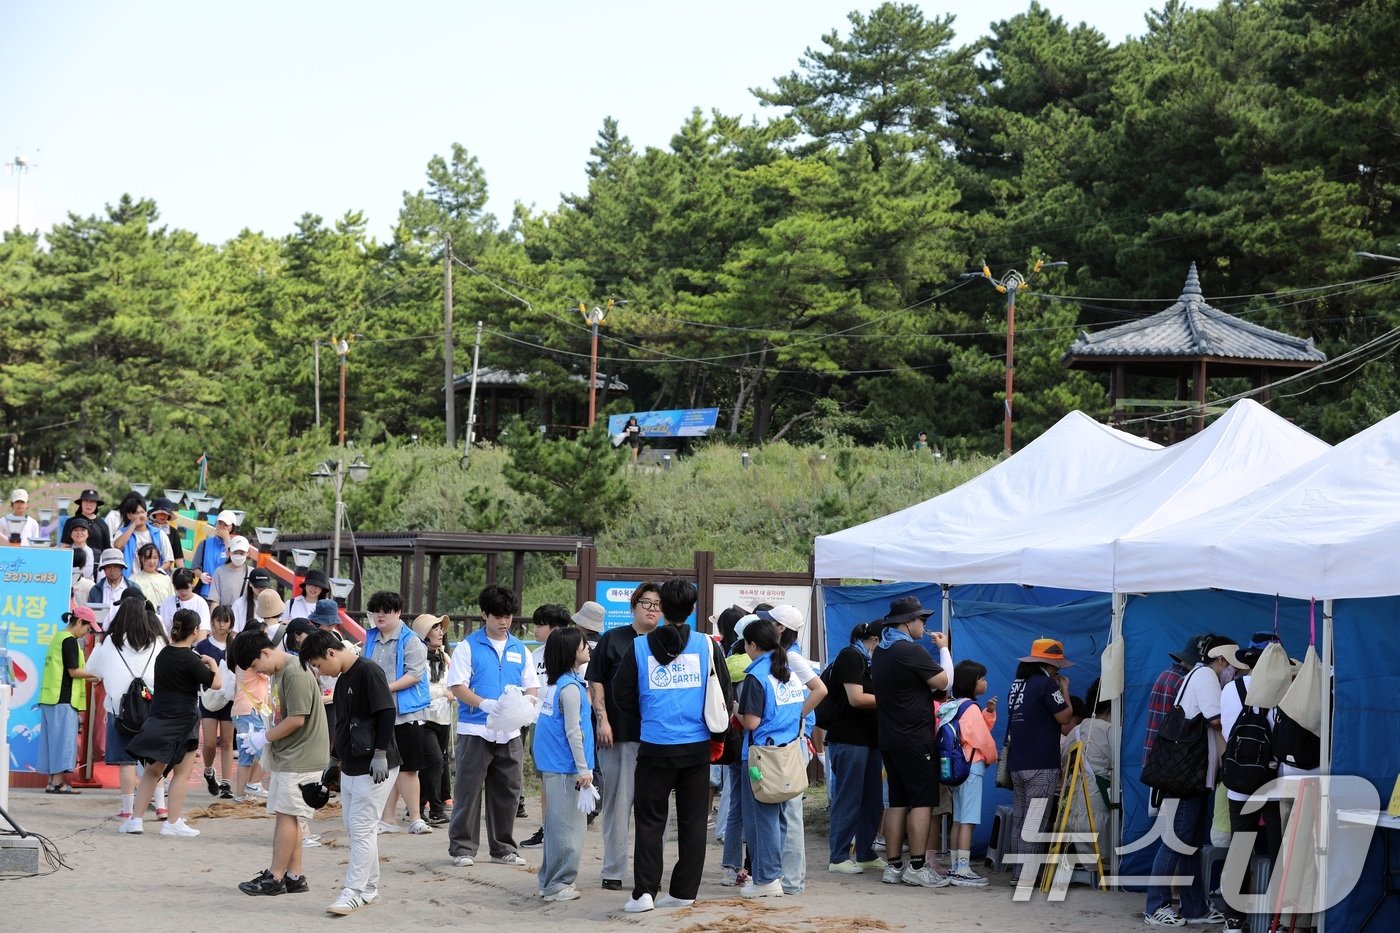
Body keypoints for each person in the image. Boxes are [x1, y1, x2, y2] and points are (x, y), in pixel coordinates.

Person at [611, 579, 731, 913]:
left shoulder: (638, 646)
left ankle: (644, 893)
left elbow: (621, 695)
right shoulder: (707, 645)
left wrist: (647, 717)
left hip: (654, 746)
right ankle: (683, 892)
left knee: (650, 821)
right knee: (693, 822)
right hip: (696, 748)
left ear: (661, 608)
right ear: (692, 608)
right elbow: (723, 692)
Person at [297, 628, 402, 916]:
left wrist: (380, 752)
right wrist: (333, 760)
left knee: (361, 826)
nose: (323, 672)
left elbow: (387, 712)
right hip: (351, 763)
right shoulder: (343, 680)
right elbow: (342, 724)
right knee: (358, 828)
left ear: (331, 652)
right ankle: (369, 888)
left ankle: (353, 891)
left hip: (376, 764)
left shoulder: (368, 671)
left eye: (319, 665)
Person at [1143, 633, 1233, 926]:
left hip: (1194, 776)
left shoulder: (1196, 674)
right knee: (1176, 842)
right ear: (1220, 659)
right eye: (1232, 664)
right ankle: (1155, 906)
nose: (1235, 671)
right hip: (1186, 776)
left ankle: (1195, 908)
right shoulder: (1206, 674)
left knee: (1191, 845)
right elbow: (1216, 718)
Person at [445, 584, 538, 867]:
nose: (503, 621)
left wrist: (524, 707)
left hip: (510, 732)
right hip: (475, 730)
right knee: (468, 791)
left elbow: (532, 687)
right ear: (484, 614)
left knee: (508, 791)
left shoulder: (520, 649)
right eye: (497, 615)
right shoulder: (468, 646)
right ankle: (462, 848)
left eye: (508, 615)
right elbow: (457, 686)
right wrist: (484, 703)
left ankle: (503, 848)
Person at [232, 630, 330, 896]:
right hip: (294, 754)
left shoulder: (293, 672)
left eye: (255, 665)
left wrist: (263, 738)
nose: (258, 671)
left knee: (286, 815)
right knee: (291, 814)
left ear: (264, 652)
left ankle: (275, 877)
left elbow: (297, 718)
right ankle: (293, 875)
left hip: (301, 756)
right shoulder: (280, 671)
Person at [868, 595, 950, 888]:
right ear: (907, 622)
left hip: (890, 736)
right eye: (921, 620)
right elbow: (944, 682)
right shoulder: (910, 651)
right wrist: (943, 650)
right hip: (915, 737)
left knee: (897, 801)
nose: (924, 625)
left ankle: (893, 867)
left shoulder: (881, 651)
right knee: (922, 802)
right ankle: (917, 866)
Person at [584, 581, 661, 891]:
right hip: (619, 735)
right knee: (618, 804)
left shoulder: (665, 642)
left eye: (657, 604)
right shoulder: (613, 640)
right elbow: (596, 681)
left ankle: (649, 871)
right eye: (647, 603)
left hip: (658, 738)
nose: (652, 609)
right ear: (634, 606)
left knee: (654, 808)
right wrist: (602, 719)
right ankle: (613, 870)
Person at [735, 617, 817, 898]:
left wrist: (735, 711)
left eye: (746, 644)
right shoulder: (789, 672)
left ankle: (767, 879)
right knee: (780, 818)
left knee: (761, 819)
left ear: (753, 645)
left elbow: (752, 723)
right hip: (788, 753)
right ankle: (776, 876)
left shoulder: (756, 677)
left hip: (760, 758)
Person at [122, 607, 221, 837]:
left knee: (152, 771)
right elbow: (216, 684)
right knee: (182, 773)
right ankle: (172, 822)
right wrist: (212, 664)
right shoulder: (192, 659)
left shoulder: (163, 654)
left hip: (159, 717)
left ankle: (135, 820)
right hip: (184, 719)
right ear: (195, 631)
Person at [1216, 635, 1284, 933]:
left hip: (1238, 781)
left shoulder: (1231, 688)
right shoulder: (1284, 691)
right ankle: (1277, 919)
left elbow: (1228, 733)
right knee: (1278, 849)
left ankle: (1233, 918)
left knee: (1240, 847)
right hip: (1272, 782)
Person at [761, 604, 826, 895]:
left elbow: (820, 690)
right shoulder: (781, 656)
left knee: (790, 815)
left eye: (769, 623)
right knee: (785, 813)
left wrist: (795, 715)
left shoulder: (793, 657)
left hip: (792, 745)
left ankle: (792, 881)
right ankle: (788, 879)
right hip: (788, 744)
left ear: (780, 629)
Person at [360, 590, 432, 836]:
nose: (380, 615)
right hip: (377, 712)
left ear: (398, 612)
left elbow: (414, 675)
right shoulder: (369, 639)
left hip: (405, 713)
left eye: (386, 610)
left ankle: (416, 817)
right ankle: (387, 818)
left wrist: (383, 689)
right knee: (386, 768)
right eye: (376, 610)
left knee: (409, 768)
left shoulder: (411, 641)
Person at [87, 598, 167, 818]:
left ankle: (127, 810)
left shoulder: (110, 642)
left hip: (119, 710)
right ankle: (160, 806)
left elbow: (92, 668)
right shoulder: (157, 641)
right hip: (152, 707)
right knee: (153, 760)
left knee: (126, 762)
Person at [1006, 638, 1074, 889]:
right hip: (1041, 761)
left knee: (1021, 820)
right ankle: (1026, 876)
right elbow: (1065, 718)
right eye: (1058, 666)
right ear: (1049, 663)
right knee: (1036, 821)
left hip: (1017, 762)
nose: (1059, 671)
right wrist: (1064, 688)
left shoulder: (1017, 685)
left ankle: (1018, 873)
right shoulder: (1046, 684)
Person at [533, 626, 595, 901]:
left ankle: (549, 880)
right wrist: (584, 769)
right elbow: (574, 732)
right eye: (583, 645)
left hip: (555, 764)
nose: (588, 648)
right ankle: (557, 884)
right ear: (572, 653)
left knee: (559, 824)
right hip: (564, 766)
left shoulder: (557, 684)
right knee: (566, 830)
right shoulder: (570, 689)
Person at [825, 621, 886, 875]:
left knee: (873, 800)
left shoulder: (871, 662)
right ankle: (838, 856)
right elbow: (856, 698)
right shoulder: (851, 656)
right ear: (874, 639)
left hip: (871, 740)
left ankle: (865, 853)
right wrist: (894, 699)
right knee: (848, 798)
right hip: (849, 739)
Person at [940, 659, 998, 887]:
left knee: (958, 818)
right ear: (972, 683)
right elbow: (981, 739)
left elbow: (967, 732)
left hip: (956, 768)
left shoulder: (954, 705)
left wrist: (989, 713)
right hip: (972, 767)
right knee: (969, 820)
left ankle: (956, 865)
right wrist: (992, 757)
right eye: (981, 678)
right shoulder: (971, 708)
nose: (985, 682)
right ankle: (964, 869)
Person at [522, 603, 575, 848]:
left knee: (568, 776)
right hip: (539, 722)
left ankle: (565, 828)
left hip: (567, 723)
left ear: (554, 629)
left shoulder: (575, 652)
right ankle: (547, 827)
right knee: (546, 777)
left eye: (540, 625)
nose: (535, 630)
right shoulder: (534, 656)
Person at [37, 606, 100, 792]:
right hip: (63, 699)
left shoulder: (58, 637)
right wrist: (97, 675)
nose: (87, 634)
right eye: (88, 628)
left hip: (51, 698)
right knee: (63, 743)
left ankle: (52, 782)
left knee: (52, 742)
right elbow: (74, 671)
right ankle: (58, 783)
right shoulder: (70, 641)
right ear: (79, 622)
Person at [413, 613, 454, 826]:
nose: (440, 632)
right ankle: (436, 809)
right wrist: (442, 694)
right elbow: (416, 688)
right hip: (424, 718)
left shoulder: (444, 657)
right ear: (424, 634)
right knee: (435, 761)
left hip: (443, 718)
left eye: (440, 628)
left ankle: (418, 809)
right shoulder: (417, 658)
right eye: (435, 628)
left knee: (435, 763)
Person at [229, 616, 272, 802]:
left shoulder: (240, 659)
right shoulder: (251, 661)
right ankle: (253, 784)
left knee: (246, 756)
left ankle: (240, 794)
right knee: (266, 749)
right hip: (250, 711)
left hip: (242, 711)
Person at [195, 607, 236, 799]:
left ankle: (226, 783)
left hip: (229, 699)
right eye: (218, 620)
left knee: (228, 741)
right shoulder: (202, 646)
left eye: (225, 621)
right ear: (212, 621)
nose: (222, 624)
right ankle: (209, 771)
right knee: (210, 743)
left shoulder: (235, 644)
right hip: (209, 699)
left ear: (231, 623)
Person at [112, 499, 173, 576]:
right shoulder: (122, 532)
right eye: (136, 513)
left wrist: (157, 571)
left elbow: (168, 559)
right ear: (129, 516)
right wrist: (133, 525)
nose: (141, 516)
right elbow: (117, 546)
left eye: (143, 512)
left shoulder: (158, 533)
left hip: (152, 579)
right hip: (130, 580)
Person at [192, 509, 240, 598]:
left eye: (226, 525)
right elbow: (194, 567)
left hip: (226, 592)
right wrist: (201, 575)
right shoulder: (205, 543)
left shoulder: (235, 545)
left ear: (232, 528)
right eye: (220, 523)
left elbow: (235, 562)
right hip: (206, 592)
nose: (222, 527)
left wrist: (227, 540)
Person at [88, 549, 144, 616]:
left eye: (116, 566)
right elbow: (90, 615)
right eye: (108, 566)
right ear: (104, 569)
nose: (112, 570)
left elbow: (141, 613)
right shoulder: (95, 590)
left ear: (122, 568)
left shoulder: (134, 589)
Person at [159, 568, 211, 635]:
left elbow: (203, 631)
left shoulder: (200, 603)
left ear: (192, 583)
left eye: (186, 588)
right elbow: (164, 629)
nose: (183, 592)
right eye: (179, 589)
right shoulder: (167, 603)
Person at [62, 488, 111, 553]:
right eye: (86, 501)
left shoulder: (102, 524)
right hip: (76, 560)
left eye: (92, 501)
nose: (89, 504)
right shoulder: (71, 521)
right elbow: (65, 545)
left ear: (97, 504)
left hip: (97, 561)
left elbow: (106, 549)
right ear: (81, 503)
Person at [147, 497, 182, 570]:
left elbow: (178, 556)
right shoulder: (147, 529)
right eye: (160, 513)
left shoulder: (173, 532)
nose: (163, 516)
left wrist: (183, 574)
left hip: (165, 571)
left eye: (165, 514)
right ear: (155, 514)